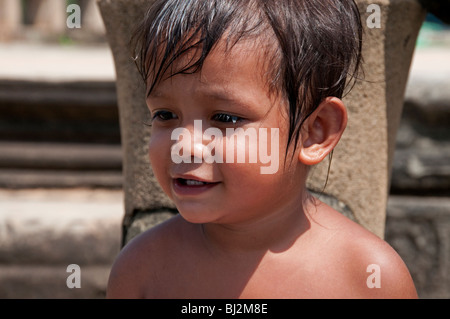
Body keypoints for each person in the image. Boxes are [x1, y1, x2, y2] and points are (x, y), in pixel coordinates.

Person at [106, 0, 417, 298]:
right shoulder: (142, 269)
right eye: (165, 115)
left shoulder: (368, 276)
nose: (184, 145)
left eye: (224, 118)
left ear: (314, 131)